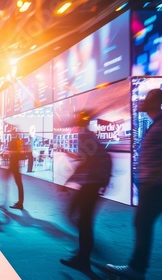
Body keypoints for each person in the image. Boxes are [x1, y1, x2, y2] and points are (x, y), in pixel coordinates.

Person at [106, 89, 162, 280]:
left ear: (155, 102)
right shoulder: (155, 123)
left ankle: (137, 269)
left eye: (148, 100)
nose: (143, 103)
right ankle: (137, 267)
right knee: (142, 224)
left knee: (142, 224)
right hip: (150, 185)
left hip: (155, 186)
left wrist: (153, 178)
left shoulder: (160, 124)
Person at [60, 110, 112, 275]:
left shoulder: (84, 136)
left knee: (82, 220)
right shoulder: (88, 135)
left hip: (91, 184)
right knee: (81, 219)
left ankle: (83, 258)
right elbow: (87, 158)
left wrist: (68, 181)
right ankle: (83, 252)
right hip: (93, 183)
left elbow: (86, 161)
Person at [6, 131, 25, 210]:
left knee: (18, 183)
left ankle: (20, 203)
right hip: (15, 165)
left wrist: (10, 152)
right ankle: (20, 202)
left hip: (14, 165)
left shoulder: (14, 142)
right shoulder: (18, 142)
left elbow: (15, 153)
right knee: (19, 183)